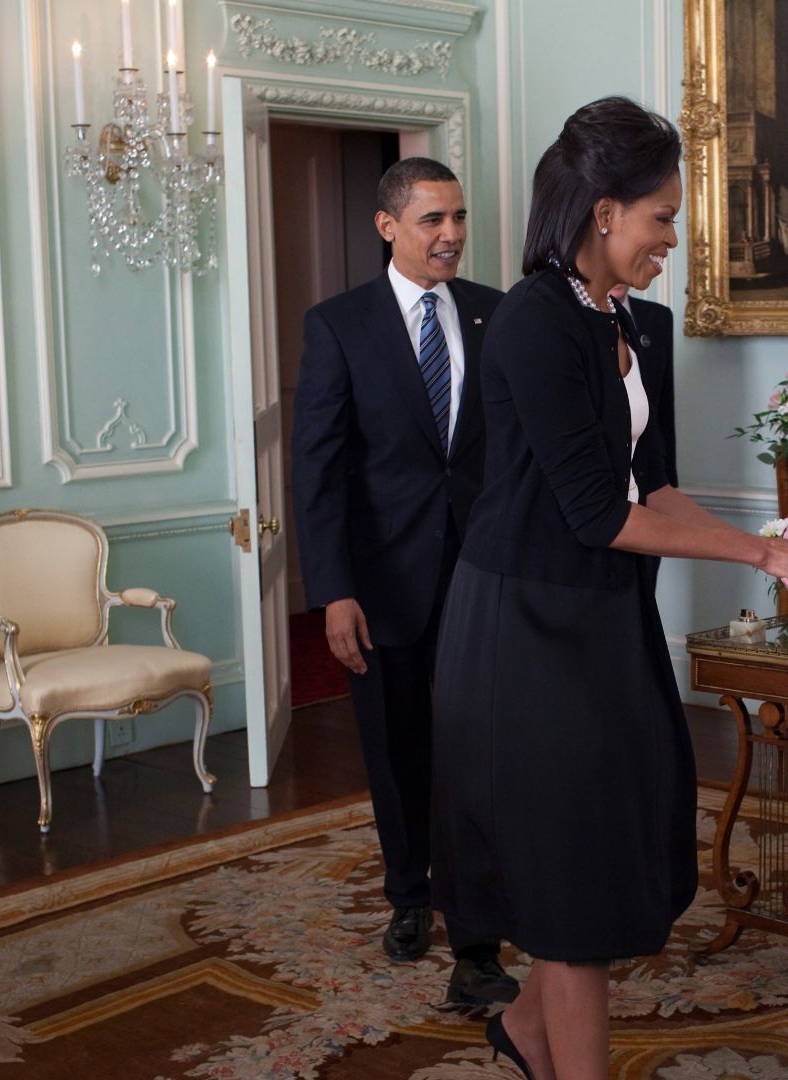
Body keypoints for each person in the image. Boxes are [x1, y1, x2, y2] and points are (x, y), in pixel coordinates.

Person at [430, 97, 788, 1079]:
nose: (671, 241)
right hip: (525, 630)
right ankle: (550, 1045)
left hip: (600, 619)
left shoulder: (630, 324)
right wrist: (759, 557)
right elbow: (597, 516)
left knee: (615, 852)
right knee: (569, 897)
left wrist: (765, 544)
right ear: (603, 211)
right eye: (661, 219)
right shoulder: (532, 322)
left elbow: (651, 488)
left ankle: (523, 1033)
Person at [291, 157, 519, 1010]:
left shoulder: (498, 314)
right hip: (381, 584)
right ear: (388, 225)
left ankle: (478, 939)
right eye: (433, 220)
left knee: (478, 755)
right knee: (397, 751)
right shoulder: (338, 325)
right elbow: (319, 471)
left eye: (459, 218)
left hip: (484, 579)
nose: (452, 235)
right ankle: (408, 895)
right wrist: (334, 591)